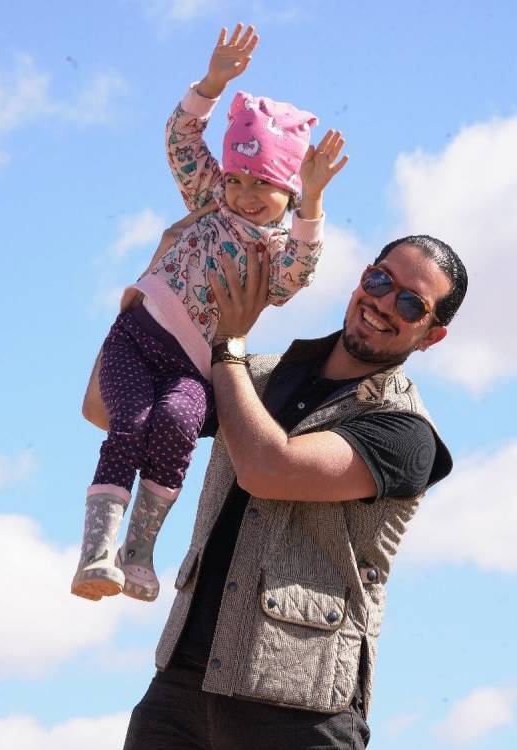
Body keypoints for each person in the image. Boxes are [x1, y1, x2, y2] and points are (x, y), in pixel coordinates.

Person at [83, 231, 466, 749]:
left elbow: (267, 468)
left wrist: (227, 345)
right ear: (362, 278)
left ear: (431, 336)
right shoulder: (254, 376)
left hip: (300, 713)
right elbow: (103, 409)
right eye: (380, 280)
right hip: (178, 691)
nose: (382, 303)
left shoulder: (406, 432)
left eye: (410, 303)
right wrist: (152, 290)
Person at [71, 23, 348, 603]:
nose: (243, 193)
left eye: (262, 184)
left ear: (288, 192)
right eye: (236, 177)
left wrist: (315, 200)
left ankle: (139, 554)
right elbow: (181, 139)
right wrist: (212, 83)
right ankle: (96, 552)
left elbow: (297, 274)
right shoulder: (209, 201)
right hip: (138, 338)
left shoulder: (274, 253)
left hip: (191, 367)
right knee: (131, 422)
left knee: (177, 426)